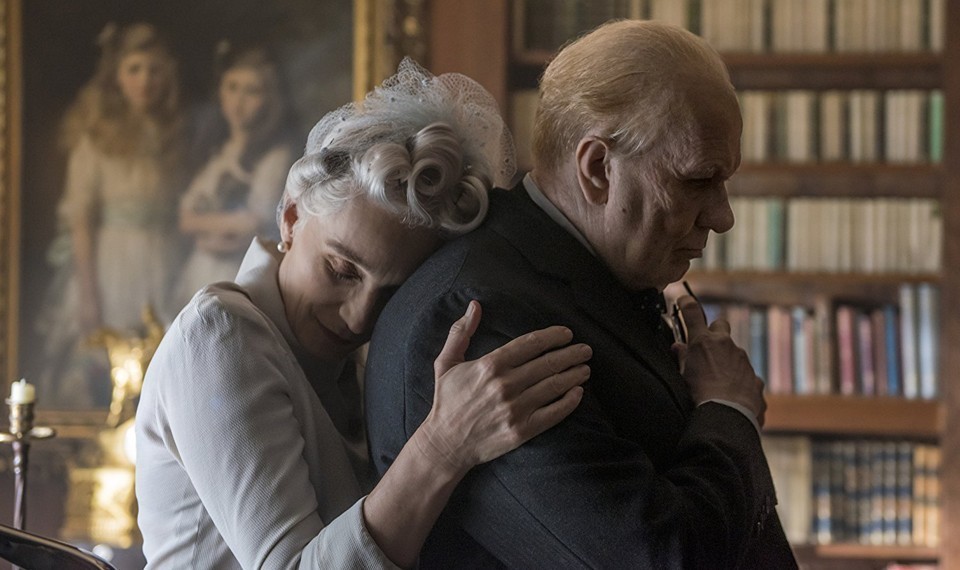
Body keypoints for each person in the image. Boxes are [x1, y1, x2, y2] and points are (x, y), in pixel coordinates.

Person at [365, 20, 798, 568]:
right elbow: (661, 558)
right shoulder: (483, 317)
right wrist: (729, 410)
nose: (723, 216)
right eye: (696, 181)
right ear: (597, 169)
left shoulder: (581, 271)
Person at [135, 59, 592, 569]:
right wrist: (443, 446)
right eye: (342, 270)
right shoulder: (219, 334)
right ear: (291, 217)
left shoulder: (359, 369)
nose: (358, 319)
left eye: (392, 292)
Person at [35, 22, 185, 407]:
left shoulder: (172, 137)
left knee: (159, 354)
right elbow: (81, 218)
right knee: (108, 356)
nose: (145, 81)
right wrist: (89, 293)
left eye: (153, 70)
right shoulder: (96, 138)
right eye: (134, 69)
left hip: (161, 257)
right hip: (113, 263)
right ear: (117, 76)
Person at [173, 44, 295, 311]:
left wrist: (201, 223)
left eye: (252, 91)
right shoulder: (212, 150)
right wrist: (211, 225)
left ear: (269, 99)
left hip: (237, 272)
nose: (238, 102)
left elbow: (256, 220)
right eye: (232, 87)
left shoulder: (275, 157)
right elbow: (182, 218)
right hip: (199, 267)